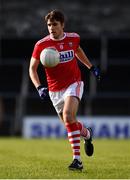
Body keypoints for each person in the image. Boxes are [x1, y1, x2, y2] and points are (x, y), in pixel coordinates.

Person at [29, 9, 100, 171]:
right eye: (49, 25)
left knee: (68, 115)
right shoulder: (41, 45)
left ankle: (77, 161)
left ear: (62, 25)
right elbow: (32, 69)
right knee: (70, 123)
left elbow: (78, 50)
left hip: (73, 83)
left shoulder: (73, 38)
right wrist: (39, 87)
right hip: (54, 90)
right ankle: (87, 135)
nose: (51, 28)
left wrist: (90, 67)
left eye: (54, 24)